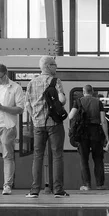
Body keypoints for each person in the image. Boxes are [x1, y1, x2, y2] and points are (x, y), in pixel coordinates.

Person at [25, 56, 68, 198]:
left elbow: (28, 105)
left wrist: (35, 118)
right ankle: (58, 190)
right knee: (57, 156)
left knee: (37, 156)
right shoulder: (55, 81)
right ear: (48, 66)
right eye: (54, 65)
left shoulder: (32, 82)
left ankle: (34, 190)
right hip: (54, 124)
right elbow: (62, 100)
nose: (56, 67)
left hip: (38, 125)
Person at [0, 64, 25, 195]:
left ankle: (7, 186)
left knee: (7, 157)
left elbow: (20, 109)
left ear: (6, 74)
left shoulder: (16, 88)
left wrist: (2, 108)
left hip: (7, 127)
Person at [68, 84, 109, 191]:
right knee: (98, 159)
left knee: (84, 159)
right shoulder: (98, 102)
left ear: (83, 91)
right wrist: (107, 136)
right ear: (93, 91)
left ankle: (86, 185)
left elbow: (70, 116)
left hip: (82, 133)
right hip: (96, 132)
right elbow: (103, 121)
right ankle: (100, 184)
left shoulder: (78, 101)